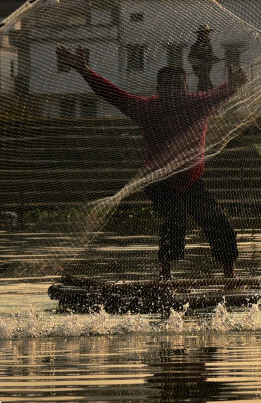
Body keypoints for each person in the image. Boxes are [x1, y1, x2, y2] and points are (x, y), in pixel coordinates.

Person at [56, 44, 246, 280]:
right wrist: (85, 70)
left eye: (180, 86)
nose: (175, 91)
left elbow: (224, 92)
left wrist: (235, 83)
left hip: (192, 179)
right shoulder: (146, 108)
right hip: (158, 179)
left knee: (218, 223)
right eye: (169, 86)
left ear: (186, 88)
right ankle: (165, 277)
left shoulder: (198, 104)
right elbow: (112, 94)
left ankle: (230, 277)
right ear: (159, 89)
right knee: (175, 219)